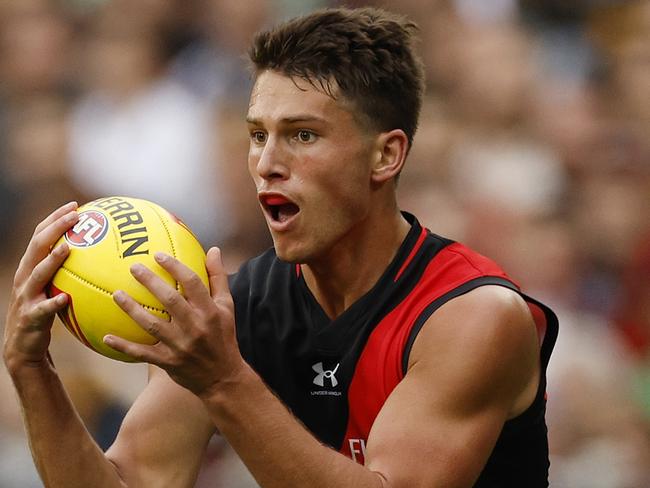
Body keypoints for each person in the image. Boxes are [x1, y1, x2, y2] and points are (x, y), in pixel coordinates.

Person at [3, 7, 558, 487]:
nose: (267, 162)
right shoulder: (236, 311)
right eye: (257, 134)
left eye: (302, 135)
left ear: (385, 157)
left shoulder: (473, 317)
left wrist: (225, 381)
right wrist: (32, 371)